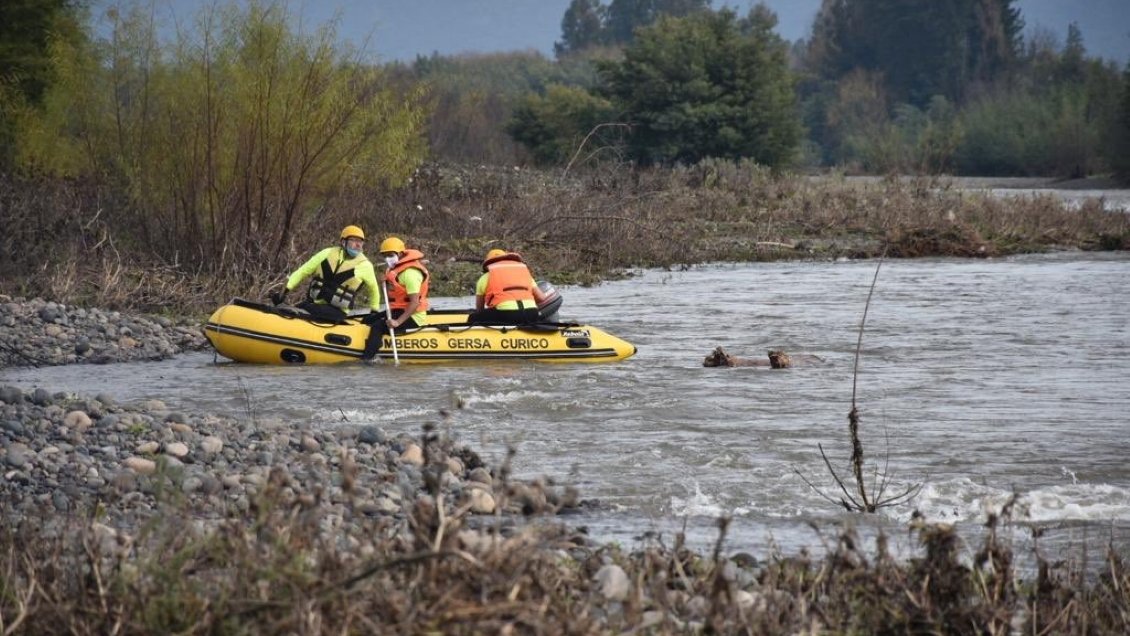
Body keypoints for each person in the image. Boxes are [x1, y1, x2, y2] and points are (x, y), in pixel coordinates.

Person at [271, 225, 381, 323]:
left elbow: (374, 290)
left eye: (360, 242)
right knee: (297, 308)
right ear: (343, 242)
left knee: (305, 310)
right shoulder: (327, 253)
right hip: (314, 303)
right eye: (354, 240)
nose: (358, 245)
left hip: (337, 311)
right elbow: (303, 271)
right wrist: (286, 289)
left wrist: (374, 311)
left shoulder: (365, 265)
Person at [361, 236, 430, 359]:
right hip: (399, 309)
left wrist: (397, 322)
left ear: (401, 253)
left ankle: (367, 359)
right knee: (368, 320)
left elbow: (414, 303)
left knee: (377, 326)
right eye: (385, 256)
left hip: (414, 316)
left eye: (391, 255)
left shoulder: (411, 274)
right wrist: (385, 282)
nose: (388, 258)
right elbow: (394, 293)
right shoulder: (395, 269)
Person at [467, 248, 548, 325]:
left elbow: (480, 309)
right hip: (531, 314)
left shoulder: (484, 278)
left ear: (489, 263)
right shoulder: (524, 273)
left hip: (506, 315)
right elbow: (541, 298)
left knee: (473, 318)